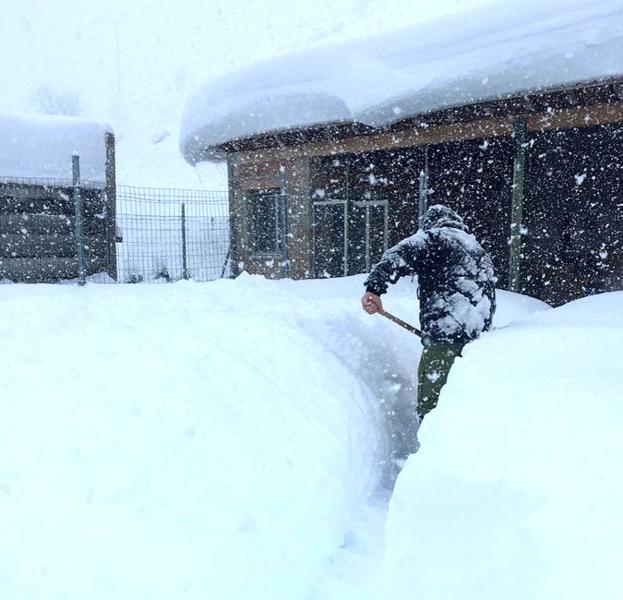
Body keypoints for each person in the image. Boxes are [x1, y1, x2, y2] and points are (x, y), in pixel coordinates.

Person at [361, 204, 496, 423]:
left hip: (442, 346)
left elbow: (397, 256)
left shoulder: (436, 239)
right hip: (478, 348)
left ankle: (432, 454)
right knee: (467, 416)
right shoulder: (478, 251)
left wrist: (374, 289)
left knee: (433, 415)